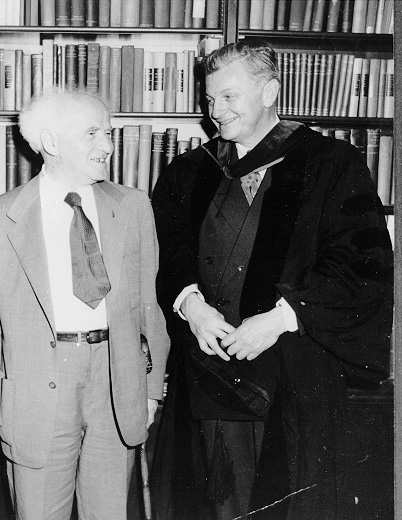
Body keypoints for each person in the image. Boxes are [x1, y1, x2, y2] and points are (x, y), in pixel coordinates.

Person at [152, 40, 393, 520]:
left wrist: (284, 317)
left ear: (270, 92)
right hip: (206, 373)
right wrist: (189, 303)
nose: (214, 111)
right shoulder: (189, 170)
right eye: (209, 99)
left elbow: (361, 264)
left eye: (228, 97)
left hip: (291, 376)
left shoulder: (330, 164)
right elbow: (167, 251)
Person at [0, 89, 170, 519]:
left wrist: (150, 388)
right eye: (93, 134)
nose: (108, 146)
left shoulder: (134, 207)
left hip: (116, 384)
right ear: (51, 143)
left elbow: (149, 306)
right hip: (37, 390)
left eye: (109, 133)